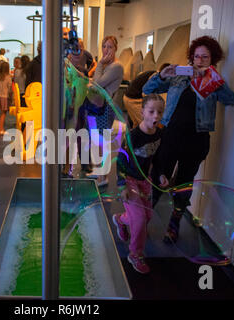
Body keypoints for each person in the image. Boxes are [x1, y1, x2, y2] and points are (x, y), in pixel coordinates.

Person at [143, 35, 234, 243]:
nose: (200, 60)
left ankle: (173, 225)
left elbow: (231, 100)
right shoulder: (179, 77)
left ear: (212, 59)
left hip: (197, 141)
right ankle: (142, 222)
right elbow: (147, 90)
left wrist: (216, 82)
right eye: (197, 56)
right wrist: (161, 74)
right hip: (170, 137)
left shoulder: (213, 82)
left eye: (205, 57)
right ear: (191, 58)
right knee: (159, 178)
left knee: (184, 185)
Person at [113, 94, 169, 274]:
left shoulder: (160, 134)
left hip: (145, 180)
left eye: (159, 112)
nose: (155, 116)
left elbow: (159, 158)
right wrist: (122, 185)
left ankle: (120, 220)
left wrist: (160, 174)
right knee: (139, 219)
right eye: (151, 111)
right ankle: (135, 254)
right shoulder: (133, 136)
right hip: (129, 180)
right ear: (142, 111)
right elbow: (120, 160)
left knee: (147, 216)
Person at [84, 35, 124, 186]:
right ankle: (99, 172)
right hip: (99, 106)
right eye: (104, 46)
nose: (106, 50)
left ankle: (104, 176)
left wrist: (99, 63)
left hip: (106, 107)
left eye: (110, 47)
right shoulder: (109, 66)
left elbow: (97, 84)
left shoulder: (116, 66)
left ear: (116, 49)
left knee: (102, 142)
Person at [123, 63, 170, 128]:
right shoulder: (155, 77)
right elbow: (145, 94)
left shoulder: (154, 75)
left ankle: (134, 137)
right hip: (133, 100)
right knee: (146, 124)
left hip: (128, 97)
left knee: (137, 124)